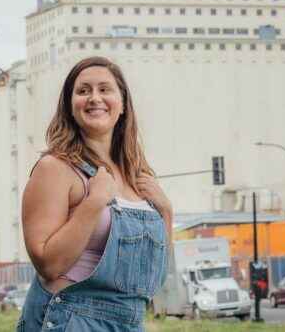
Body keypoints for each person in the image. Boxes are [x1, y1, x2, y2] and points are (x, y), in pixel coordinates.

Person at [18, 56, 173, 331]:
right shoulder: (55, 168)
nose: (94, 98)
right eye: (83, 90)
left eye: (104, 89)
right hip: (75, 320)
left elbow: (153, 278)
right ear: (70, 106)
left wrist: (166, 212)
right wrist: (94, 202)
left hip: (129, 322)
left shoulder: (139, 177)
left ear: (123, 104)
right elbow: (49, 264)